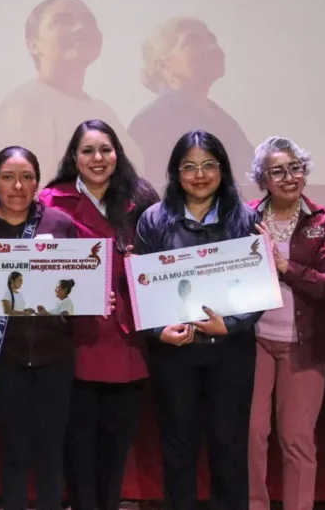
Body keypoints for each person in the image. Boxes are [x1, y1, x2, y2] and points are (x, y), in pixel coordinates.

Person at [134, 130, 261, 510]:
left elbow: (259, 286)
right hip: (175, 351)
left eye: (208, 165)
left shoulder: (245, 218)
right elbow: (141, 287)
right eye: (189, 167)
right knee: (178, 444)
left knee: (230, 445)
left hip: (231, 351)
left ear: (222, 169)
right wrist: (160, 332)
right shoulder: (154, 220)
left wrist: (234, 324)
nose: (200, 175)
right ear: (175, 172)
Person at [39, 119, 159, 510]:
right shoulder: (50, 201)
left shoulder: (141, 198)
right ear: (74, 156)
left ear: (117, 153)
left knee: (115, 442)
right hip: (73, 338)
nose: (97, 158)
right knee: (78, 442)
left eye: (105, 149)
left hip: (128, 338)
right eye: (87, 150)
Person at [0, 146, 78, 510]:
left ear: (38, 182)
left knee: (50, 452)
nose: (18, 186)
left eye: (26, 177)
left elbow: (77, 287)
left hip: (55, 357)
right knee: (13, 452)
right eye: (8, 177)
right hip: (3, 360)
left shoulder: (60, 225)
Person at [245, 136, 325, 510]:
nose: (289, 177)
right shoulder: (247, 217)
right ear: (263, 179)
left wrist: (286, 267)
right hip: (253, 340)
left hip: (306, 343)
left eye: (295, 168)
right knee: (252, 435)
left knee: (297, 439)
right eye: (277, 171)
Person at [0, 0, 143, 182]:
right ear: (33, 45)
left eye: (89, 21)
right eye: (63, 21)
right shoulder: (22, 110)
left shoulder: (101, 111)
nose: (80, 28)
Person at [128, 17, 255, 196]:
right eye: (192, 41)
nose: (212, 48)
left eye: (212, 39)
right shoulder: (153, 121)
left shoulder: (220, 117)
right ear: (163, 65)